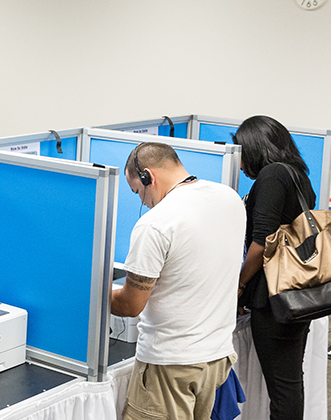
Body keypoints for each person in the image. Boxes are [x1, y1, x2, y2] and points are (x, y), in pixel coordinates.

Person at [111, 142, 243, 420]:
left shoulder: (156, 223)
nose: (142, 202)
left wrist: (87, 292)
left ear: (148, 176)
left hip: (170, 364)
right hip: (217, 357)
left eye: (138, 191)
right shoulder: (229, 198)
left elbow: (130, 305)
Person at [233, 115, 315, 419]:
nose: (240, 163)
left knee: (283, 387)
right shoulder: (297, 174)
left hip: (275, 297)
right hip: (297, 289)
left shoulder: (272, 177)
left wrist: (239, 286)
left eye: (241, 152)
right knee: (290, 382)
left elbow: (262, 241)